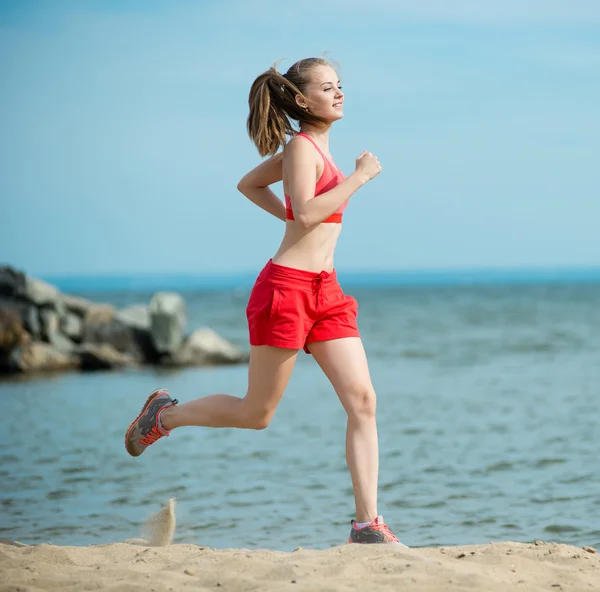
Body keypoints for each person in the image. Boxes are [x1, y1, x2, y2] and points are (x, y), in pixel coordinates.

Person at [125, 57, 405, 546]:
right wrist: (359, 178)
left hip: (328, 293)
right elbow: (309, 213)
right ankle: (163, 416)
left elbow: (250, 185)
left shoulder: (316, 148)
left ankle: (366, 525)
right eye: (327, 87)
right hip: (287, 291)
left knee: (363, 401)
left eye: (340, 85)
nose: (339, 93)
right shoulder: (300, 148)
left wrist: (295, 218)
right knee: (258, 413)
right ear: (301, 100)